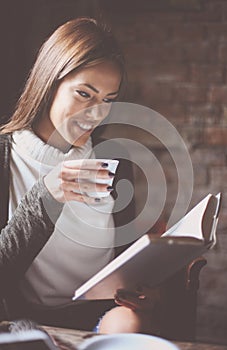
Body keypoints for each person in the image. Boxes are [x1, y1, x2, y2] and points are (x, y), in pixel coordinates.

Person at [0, 17, 159, 334]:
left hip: (101, 313)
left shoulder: (114, 158)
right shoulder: (7, 157)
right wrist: (47, 197)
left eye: (107, 100)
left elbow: (125, 255)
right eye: (85, 94)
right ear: (49, 83)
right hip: (24, 320)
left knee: (128, 323)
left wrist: (141, 287)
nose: (96, 114)